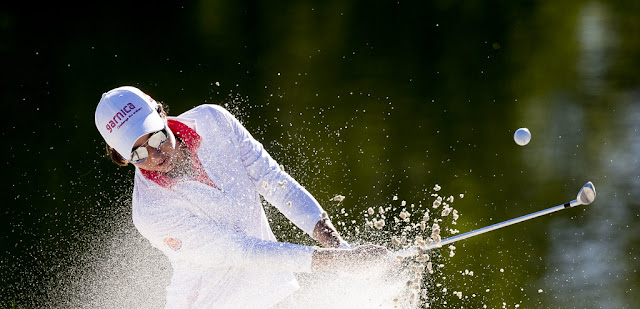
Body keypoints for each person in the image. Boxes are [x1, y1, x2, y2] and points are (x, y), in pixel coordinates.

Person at [94, 86, 390, 308]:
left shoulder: (214, 120)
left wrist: (338, 246)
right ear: (120, 156)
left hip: (274, 294)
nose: (156, 154)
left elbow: (275, 182)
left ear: (161, 112)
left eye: (158, 137)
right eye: (138, 153)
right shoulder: (150, 213)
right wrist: (340, 261)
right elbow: (242, 251)